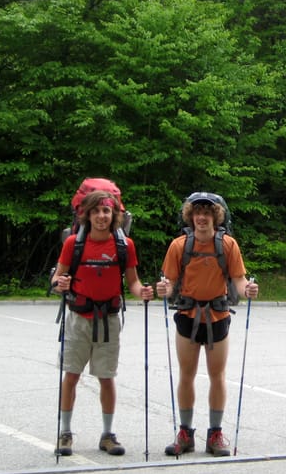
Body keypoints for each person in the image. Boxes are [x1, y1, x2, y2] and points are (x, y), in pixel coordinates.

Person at [51, 189, 154, 457]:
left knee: (106, 378)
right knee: (71, 376)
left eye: (106, 211)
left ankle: (107, 435)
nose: (101, 216)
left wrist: (142, 291)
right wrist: (59, 284)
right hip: (78, 318)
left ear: (114, 215)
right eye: (96, 211)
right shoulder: (73, 243)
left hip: (108, 319)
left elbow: (132, 281)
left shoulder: (124, 246)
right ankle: (65, 433)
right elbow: (57, 278)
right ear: (86, 214)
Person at [156, 193, 259, 457]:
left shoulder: (228, 245)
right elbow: (169, 281)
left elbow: (238, 280)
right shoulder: (179, 246)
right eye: (197, 212)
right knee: (186, 375)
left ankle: (215, 433)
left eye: (207, 213)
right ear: (190, 216)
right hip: (188, 315)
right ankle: (185, 432)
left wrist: (247, 290)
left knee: (217, 376)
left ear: (216, 216)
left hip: (218, 316)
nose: (201, 217)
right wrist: (164, 289)